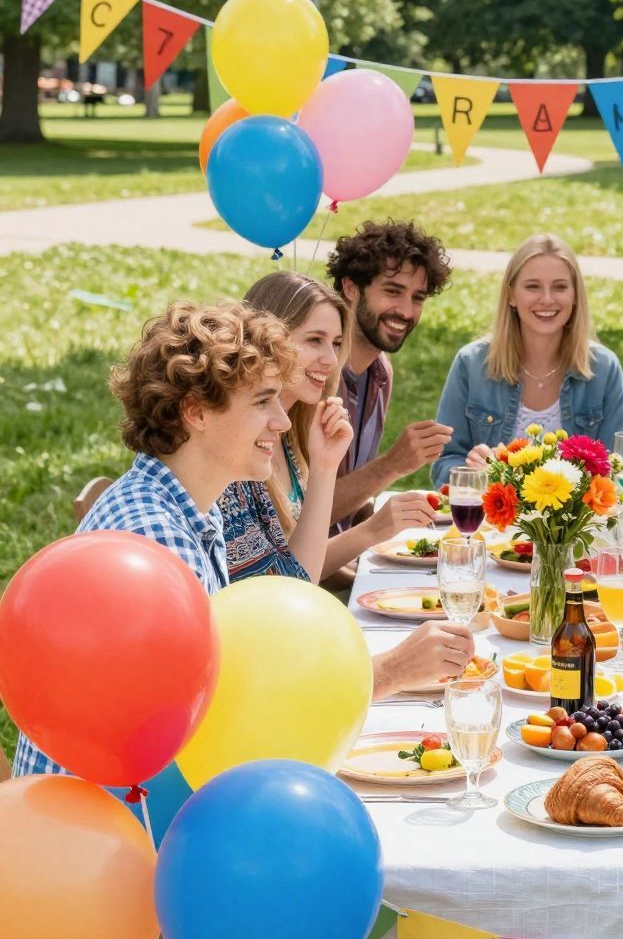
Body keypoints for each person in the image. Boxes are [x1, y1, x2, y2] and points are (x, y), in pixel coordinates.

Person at [11, 299, 298, 778]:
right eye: (263, 401)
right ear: (196, 411)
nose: (283, 422)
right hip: (110, 810)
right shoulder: (156, 540)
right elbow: (214, 717)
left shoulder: (192, 506)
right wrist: (383, 676)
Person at [220, 272, 477, 692]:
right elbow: (278, 592)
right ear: (268, 341)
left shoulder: (291, 434)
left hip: (296, 641)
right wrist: (372, 530)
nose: (330, 359)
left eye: (336, 343)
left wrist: (334, 479)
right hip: (267, 673)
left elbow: (295, 570)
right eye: (314, 340)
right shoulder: (239, 455)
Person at [433, 234, 623, 480]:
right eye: (532, 287)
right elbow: (446, 461)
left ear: (575, 296)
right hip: (491, 506)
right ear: (511, 295)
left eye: (560, 287)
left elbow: (615, 472)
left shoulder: (604, 369)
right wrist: (473, 473)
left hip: (577, 507)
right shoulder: (471, 364)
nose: (547, 299)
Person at [327, 220, 455, 532]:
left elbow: (349, 502)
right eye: (393, 291)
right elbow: (299, 518)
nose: (407, 312)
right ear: (351, 288)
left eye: (418, 297)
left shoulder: (380, 372)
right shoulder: (318, 374)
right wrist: (391, 465)